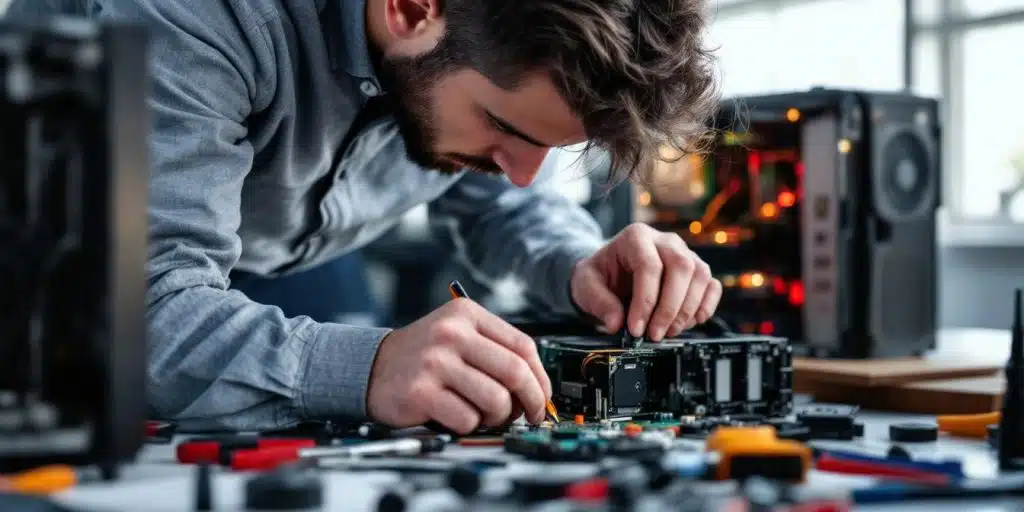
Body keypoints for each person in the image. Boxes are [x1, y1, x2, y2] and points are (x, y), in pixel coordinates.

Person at [8, 0, 724, 434]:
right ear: (412, 10)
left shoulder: (465, 45)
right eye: (509, 130)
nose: (524, 171)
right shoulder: (200, 19)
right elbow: (138, 314)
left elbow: (500, 197)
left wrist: (577, 264)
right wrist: (366, 366)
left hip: (280, 256)